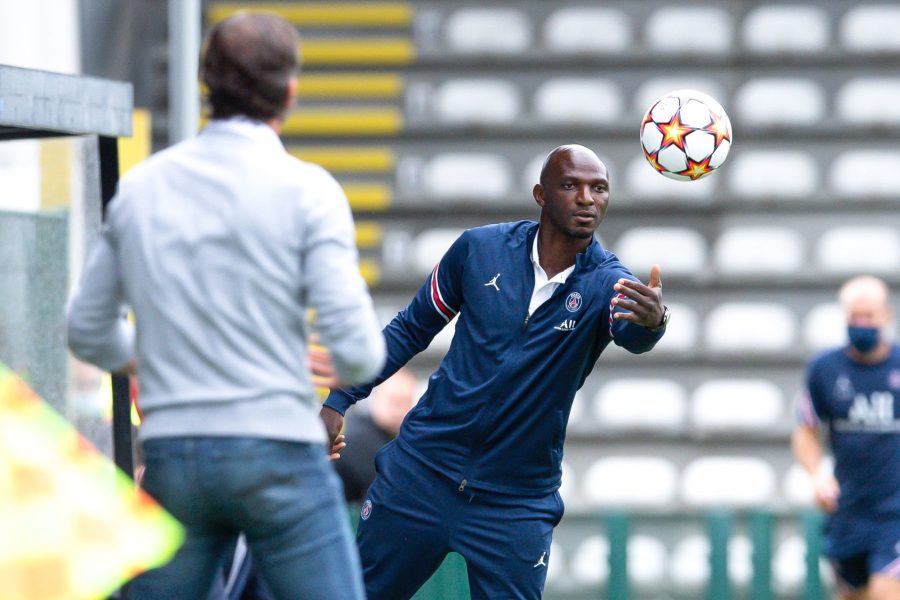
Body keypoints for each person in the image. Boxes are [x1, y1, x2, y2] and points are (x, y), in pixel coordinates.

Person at [66, 13, 385, 600]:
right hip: (279, 457)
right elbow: (361, 353)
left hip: (175, 457)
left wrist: (154, 358)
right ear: (290, 92)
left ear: (205, 87)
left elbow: (87, 331)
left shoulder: (143, 186)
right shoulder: (309, 191)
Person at [322, 144, 669, 600]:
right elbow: (409, 328)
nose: (587, 198)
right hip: (421, 475)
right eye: (571, 185)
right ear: (540, 194)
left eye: (598, 188)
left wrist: (654, 322)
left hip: (516, 503)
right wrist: (338, 400)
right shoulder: (479, 249)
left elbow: (632, 335)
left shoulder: (609, 283)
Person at [793, 275, 900, 600]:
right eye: (855, 317)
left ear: (886, 316)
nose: (862, 323)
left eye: (869, 316)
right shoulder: (824, 369)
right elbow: (806, 431)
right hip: (849, 510)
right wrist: (817, 476)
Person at [335, 368, 417, 502]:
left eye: (405, 402)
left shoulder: (393, 435)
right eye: (393, 401)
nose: (399, 410)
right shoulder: (360, 436)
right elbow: (397, 485)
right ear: (375, 400)